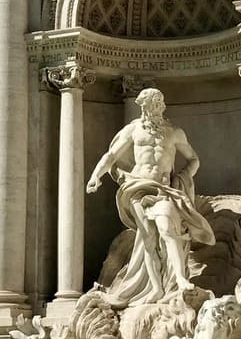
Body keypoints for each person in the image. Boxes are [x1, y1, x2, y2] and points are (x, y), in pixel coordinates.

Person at [86, 88, 214, 305]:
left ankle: (181, 278)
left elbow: (194, 159)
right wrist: (95, 176)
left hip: (164, 189)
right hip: (137, 186)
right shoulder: (133, 130)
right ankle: (155, 288)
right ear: (142, 106)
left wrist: (182, 178)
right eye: (149, 105)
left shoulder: (174, 132)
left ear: (162, 106)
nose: (154, 108)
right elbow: (111, 156)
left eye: (157, 104)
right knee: (149, 239)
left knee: (166, 227)